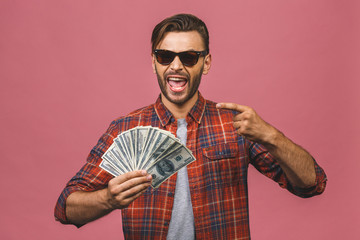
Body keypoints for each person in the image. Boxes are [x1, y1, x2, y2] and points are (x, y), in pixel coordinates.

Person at [55, 13, 327, 239]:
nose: (176, 66)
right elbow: (65, 208)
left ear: (205, 63)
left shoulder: (235, 125)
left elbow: (312, 184)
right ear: (153, 62)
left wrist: (271, 137)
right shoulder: (125, 128)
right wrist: (108, 199)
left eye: (188, 57)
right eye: (164, 56)